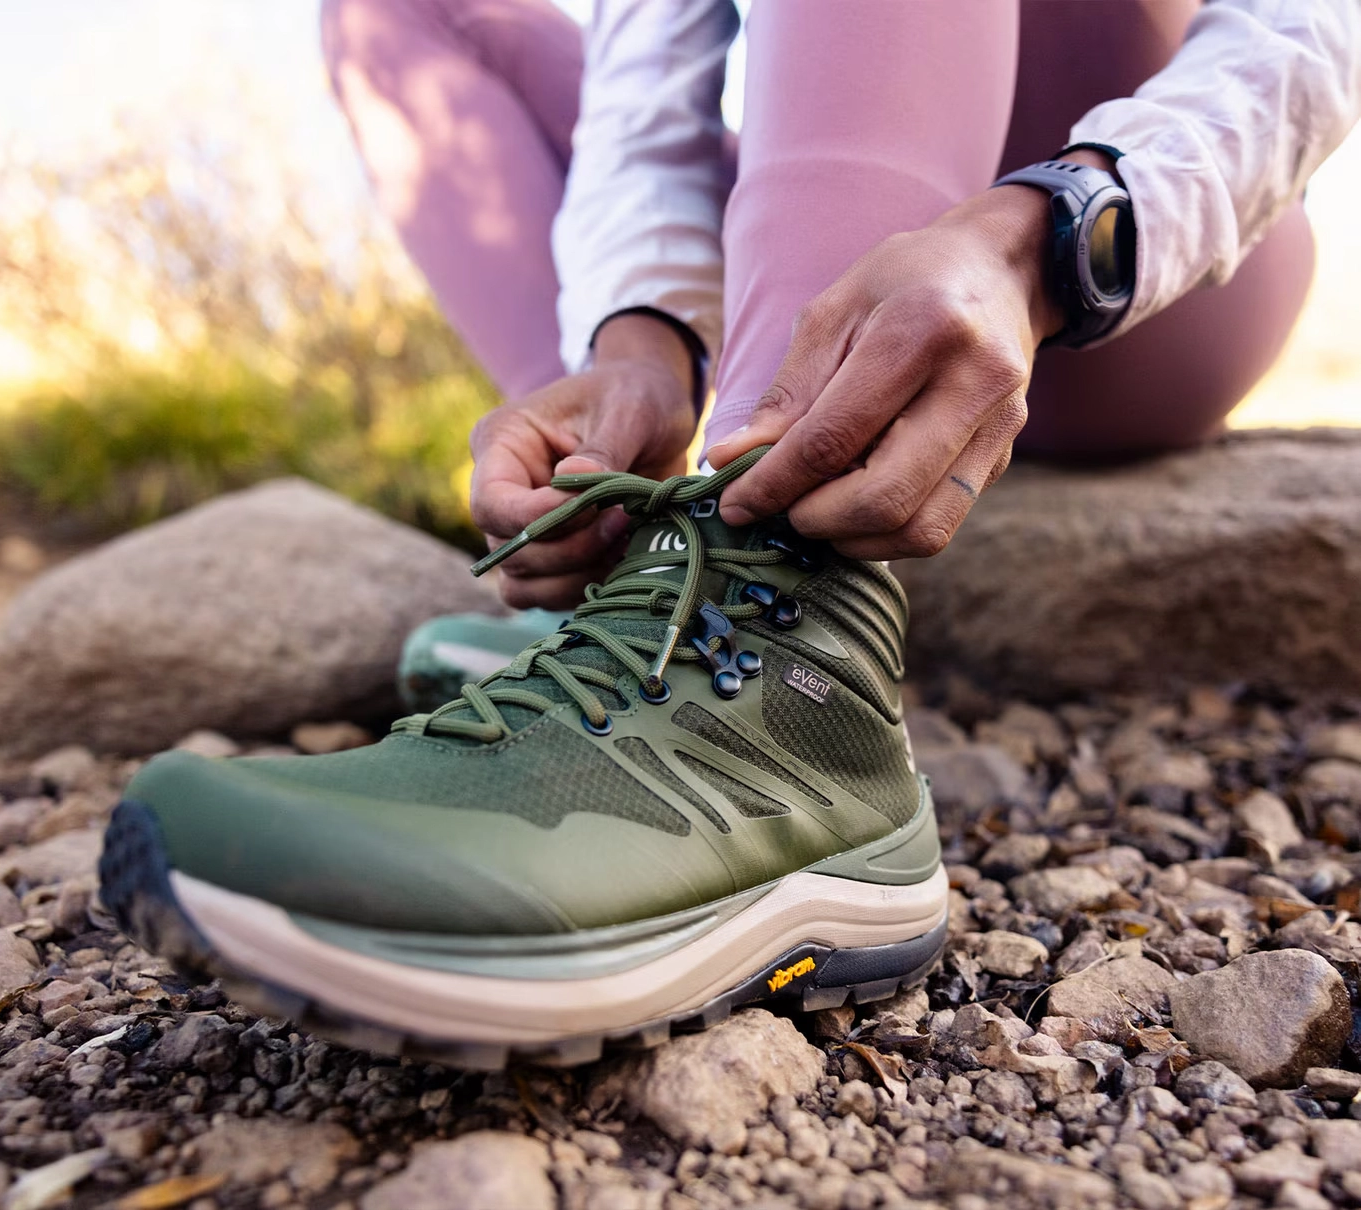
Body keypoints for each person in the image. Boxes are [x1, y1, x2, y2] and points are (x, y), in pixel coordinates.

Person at [97, 1, 1361, 1065]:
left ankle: (777, 640)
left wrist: (1037, 238)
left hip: (1144, 233)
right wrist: (636, 342)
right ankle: (662, 593)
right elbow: (645, 90)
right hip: (869, 155)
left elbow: (1309, 31)